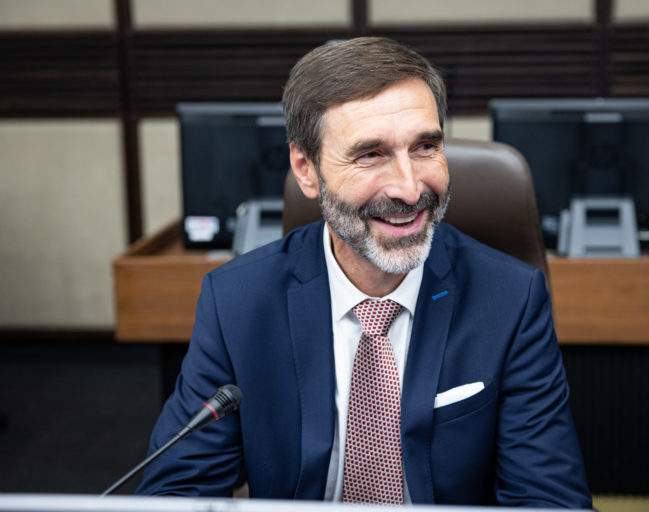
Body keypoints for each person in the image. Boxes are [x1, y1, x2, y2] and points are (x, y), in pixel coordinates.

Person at [136, 37, 592, 508]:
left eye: (425, 147)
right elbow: (176, 492)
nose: (409, 189)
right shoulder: (237, 301)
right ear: (306, 169)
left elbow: (548, 499)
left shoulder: (510, 299)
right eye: (370, 154)